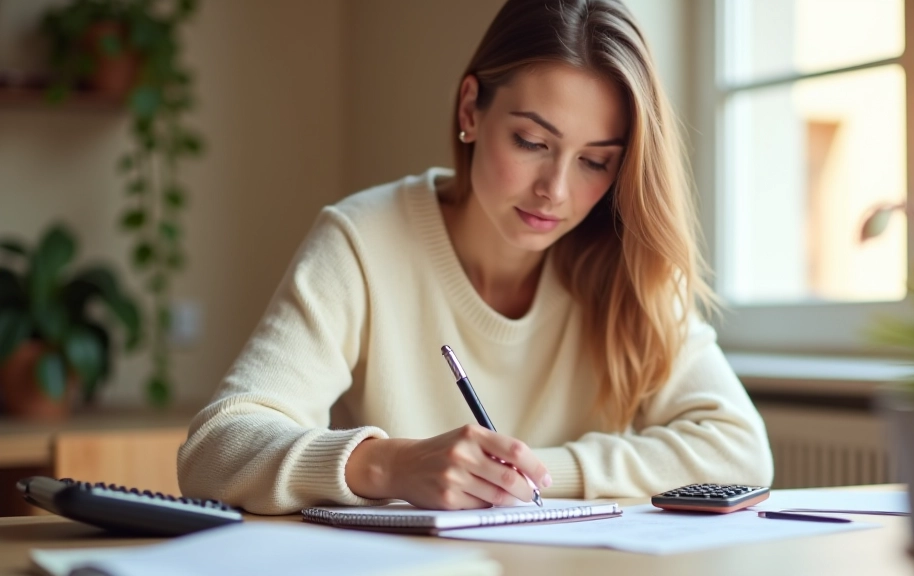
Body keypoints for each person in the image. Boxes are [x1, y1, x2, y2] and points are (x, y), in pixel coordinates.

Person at [177, 0, 773, 514]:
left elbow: (739, 452)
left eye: (595, 160)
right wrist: (388, 464)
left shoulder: (627, 263)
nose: (556, 191)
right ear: (470, 110)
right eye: (533, 142)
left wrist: (526, 472)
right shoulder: (363, 241)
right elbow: (215, 450)